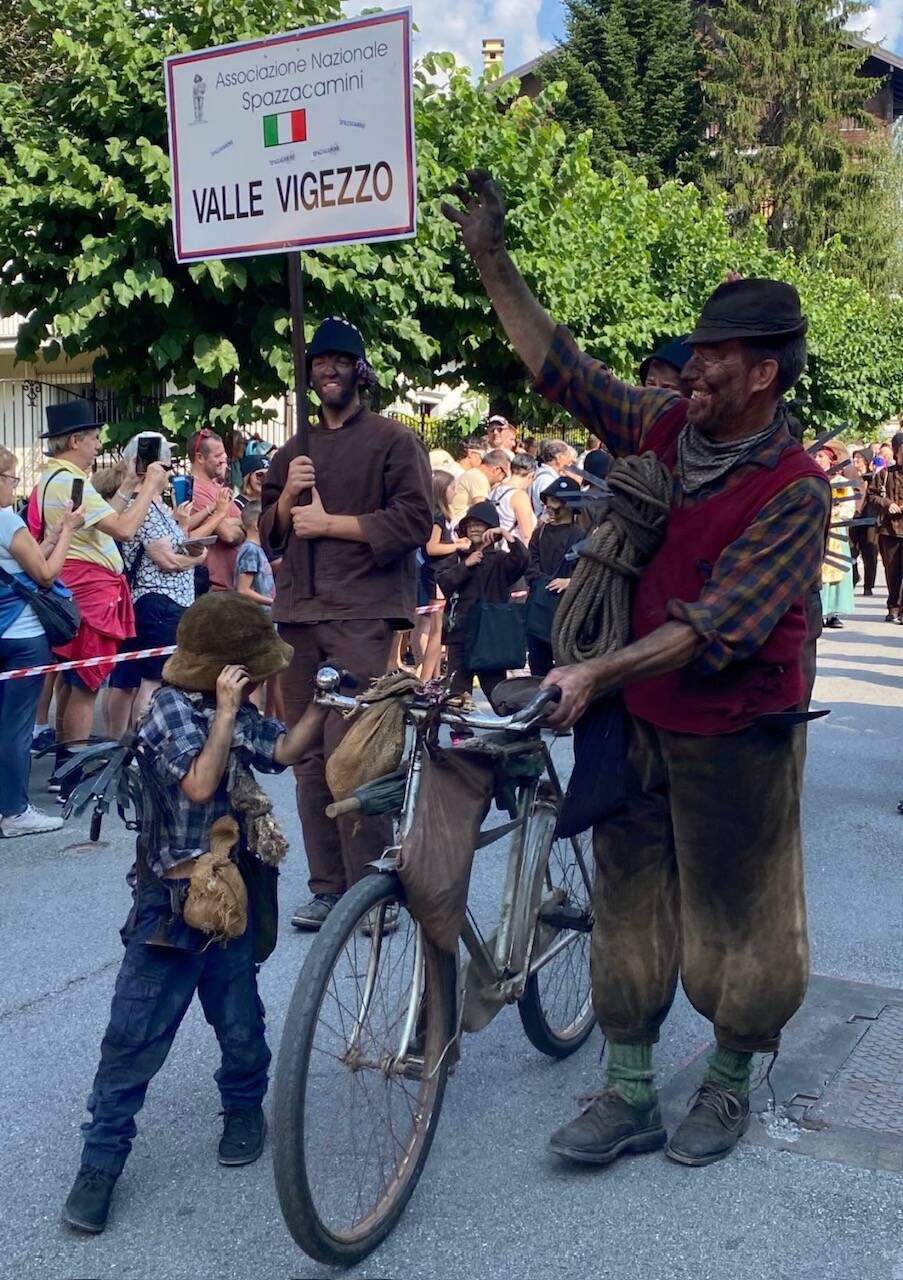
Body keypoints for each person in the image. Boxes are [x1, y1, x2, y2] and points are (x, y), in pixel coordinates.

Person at [444, 172, 830, 1168]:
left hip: (737, 733)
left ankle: (731, 1080)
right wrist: (493, 259)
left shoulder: (796, 490)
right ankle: (627, 1092)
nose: (692, 368)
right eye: (695, 351)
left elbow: (718, 627)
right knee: (627, 897)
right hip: (636, 720)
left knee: (742, 920)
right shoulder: (666, 427)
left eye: (716, 356)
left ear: (765, 373)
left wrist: (594, 672)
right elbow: (563, 369)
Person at [61, 593, 329, 1235]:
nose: (261, 679)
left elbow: (286, 749)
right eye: (252, 671)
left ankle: (243, 1109)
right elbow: (201, 785)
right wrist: (230, 712)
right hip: (169, 902)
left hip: (226, 896)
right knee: (132, 1038)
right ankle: (100, 1163)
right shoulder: (172, 711)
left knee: (241, 1022)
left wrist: (327, 699)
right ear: (225, 672)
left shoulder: (220, 707)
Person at [260, 317, 432, 931]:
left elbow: (416, 522)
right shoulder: (292, 450)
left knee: (354, 755)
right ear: (309, 375)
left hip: (361, 612)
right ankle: (329, 887)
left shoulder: (394, 441)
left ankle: (371, 890)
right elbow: (270, 533)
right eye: (319, 361)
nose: (328, 369)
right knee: (306, 759)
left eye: (340, 360)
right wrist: (285, 498)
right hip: (299, 615)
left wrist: (333, 523)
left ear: (360, 370)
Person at [37, 401, 169, 787]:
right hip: (91, 591)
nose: (98, 445)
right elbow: (125, 529)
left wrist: (128, 485)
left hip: (82, 586)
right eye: (93, 438)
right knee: (85, 686)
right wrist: (149, 488)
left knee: (75, 682)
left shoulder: (55, 478)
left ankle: (66, 768)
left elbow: (99, 523)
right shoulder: (68, 479)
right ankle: (72, 775)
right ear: (75, 439)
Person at [0, 449, 84, 836]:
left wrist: (49, 538)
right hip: (23, 634)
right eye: (12, 478)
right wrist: (68, 530)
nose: (15, 486)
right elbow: (46, 575)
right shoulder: (6, 520)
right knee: (15, 728)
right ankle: (15, 811)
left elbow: (22, 565)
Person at [105, 433, 208, 735]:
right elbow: (167, 560)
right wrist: (196, 561)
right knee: (151, 680)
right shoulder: (144, 506)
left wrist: (183, 529)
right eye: (166, 464)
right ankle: (141, 746)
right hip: (159, 602)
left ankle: (120, 745)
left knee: (129, 679)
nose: (170, 470)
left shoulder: (155, 507)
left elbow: (171, 547)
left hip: (154, 602)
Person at [435, 499, 528, 701]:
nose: (473, 529)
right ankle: (460, 733)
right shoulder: (458, 557)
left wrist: (506, 534)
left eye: (478, 524)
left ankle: (517, 729)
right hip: (459, 632)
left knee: (497, 691)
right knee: (457, 691)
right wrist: (466, 565)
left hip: (489, 635)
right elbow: (444, 582)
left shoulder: (500, 559)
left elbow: (521, 561)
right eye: (469, 525)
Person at [524, 476, 584, 678]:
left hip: (566, 609)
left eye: (556, 500)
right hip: (540, 606)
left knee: (563, 665)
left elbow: (587, 571)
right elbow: (530, 566)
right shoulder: (539, 533)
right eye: (548, 500)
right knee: (537, 664)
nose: (550, 505)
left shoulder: (581, 536)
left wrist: (571, 582)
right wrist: (545, 582)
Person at [416, 471, 469, 681]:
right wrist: (457, 544)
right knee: (436, 631)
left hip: (443, 574)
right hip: (437, 576)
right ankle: (426, 678)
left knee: (438, 630)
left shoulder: (444, 517)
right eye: (453, 487)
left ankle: (435, 675)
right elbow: (431, 547)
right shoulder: (437, 517)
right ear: (442, 490)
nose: (456, 492)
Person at [188, 428, 245, 594]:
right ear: (200, 457)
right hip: (216, 589)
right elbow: (229, 535)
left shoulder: (217, 487)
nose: (225, 459)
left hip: (232, 586)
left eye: (224, 454)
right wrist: (240, 525)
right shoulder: (195, 490)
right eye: (218, 455)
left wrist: (231, 522)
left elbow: (248, 522)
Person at [814, 444, 856, 630]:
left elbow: (848, 509)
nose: (817, 460)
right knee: (818, 571)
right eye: (816, 456)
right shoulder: (814, 479)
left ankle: (833, 613)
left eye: (821, 457)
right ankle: (817, 611)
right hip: (817, 531)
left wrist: (832, 513)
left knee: (836, 571)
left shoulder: (840, 482)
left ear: (831, 460)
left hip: (835, 532)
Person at [869, 434, 903, 624]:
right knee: (892, 571)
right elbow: (872, 496)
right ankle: (893, 607)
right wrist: (887, 503)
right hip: (889, 530)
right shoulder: (885, 473)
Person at [234, 502, 275, 607]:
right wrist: (273, 602)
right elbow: (243, 590)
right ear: (257, 524)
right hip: (255, 616)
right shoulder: (250, 550)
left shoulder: (258, 549)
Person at [490, 451, 537, 544]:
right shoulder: (519, 496)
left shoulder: (494, 491)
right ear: (530, 476)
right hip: (512, 550)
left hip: (493, 546)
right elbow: (527, 535)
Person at [849, 448, 878, 596]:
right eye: (854, 459)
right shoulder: (850, 477)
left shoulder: (875, 477)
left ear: (866, 461)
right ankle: (854, 577)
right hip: (853, 519)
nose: (855, 462)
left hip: (870, 520)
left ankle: (868, 585)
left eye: (858, 459)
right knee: (851, 552)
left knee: (869, 553)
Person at [529, 439, 577, 515]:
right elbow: (549, 511)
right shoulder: (547, 480)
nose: (569, 460)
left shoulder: (544, 475)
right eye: (567, 456)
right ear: (558, 458)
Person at [450, 438, 491, 523]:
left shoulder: (450, 468)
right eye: (482, 456)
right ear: (470, 453)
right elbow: (480, 507)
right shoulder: (469, 475)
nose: (484, 461)